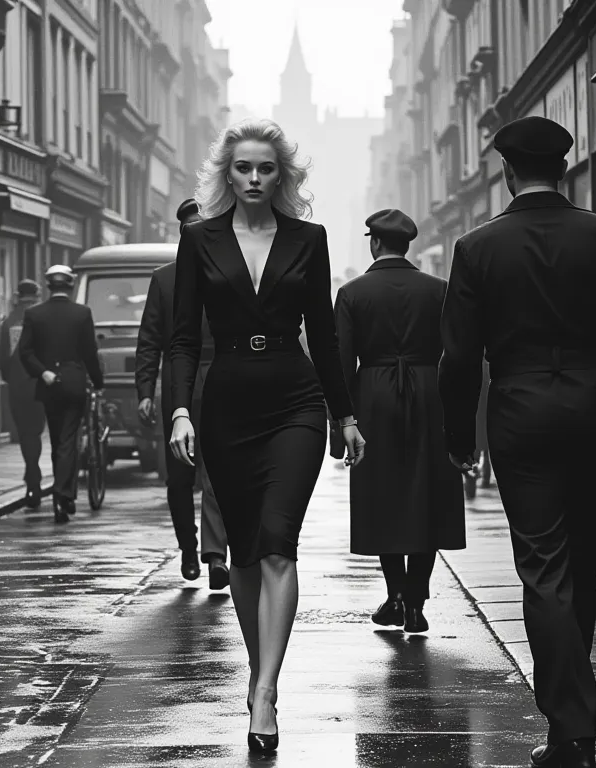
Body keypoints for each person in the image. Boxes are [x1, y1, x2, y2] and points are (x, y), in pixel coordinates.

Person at [438, 116, 596, 768]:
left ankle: (571, 727)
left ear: (508, 173)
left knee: (544, 569)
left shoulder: (477, 248)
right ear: (564, 168)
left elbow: (458, 358)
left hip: (521, 417)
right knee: (583, 563)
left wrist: (460, 438)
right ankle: (573, 726)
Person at [168, 118, 364, 754]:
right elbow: (180, 340)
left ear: (283, 176)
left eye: (267, 168)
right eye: (244, 168)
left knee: (279, 542)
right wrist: (180, 411)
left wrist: (345, 414)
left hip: (295, 399)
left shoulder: (310, 238)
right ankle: (260, 671)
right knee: (248, 551)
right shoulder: (199, 240)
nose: (254, 178)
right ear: (227, 174)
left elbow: (326, 336)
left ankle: (265, 692)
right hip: (226, 403)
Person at [334, 208, 465, 634]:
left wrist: (341, 426)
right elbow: (457, 356)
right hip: (430, 396)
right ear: (407, 245)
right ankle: (415, 599)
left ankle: (395, 594)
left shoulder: (353, 293)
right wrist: (462, 427)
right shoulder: (439, 289)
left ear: (374, 242)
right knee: (426, 497)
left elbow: (341, 363)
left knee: (382, 498)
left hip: (373, 397)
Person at [135, 199, 230, 588]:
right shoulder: (164, 278)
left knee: (218, 470)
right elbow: (149, 339)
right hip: (179, 381)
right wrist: (145, 391)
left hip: (224, 377)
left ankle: (215, 555)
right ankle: (189, 550)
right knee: (179, 476)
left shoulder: (228, 272)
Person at [17, 264, 104, 523]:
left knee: (57, 440)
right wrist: (98, 382)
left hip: (48, 384)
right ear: (71, 285)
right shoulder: (82, 313)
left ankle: (62, 495)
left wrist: (42, 372)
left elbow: (25, 352)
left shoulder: (34, 314)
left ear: (49, 285)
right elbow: (90, 353)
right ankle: (62, 496)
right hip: (75, 384)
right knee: (67, 440)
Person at [0, 279, 46, 508]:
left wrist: (12, 378)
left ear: (18, 296)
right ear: (36, 296)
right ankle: (33, 476)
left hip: (17, 386)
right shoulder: (41, 318)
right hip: (39, 383)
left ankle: (31, 476)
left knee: (25, 433)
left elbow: (2, 359)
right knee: (35, 433)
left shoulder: (8, 322)